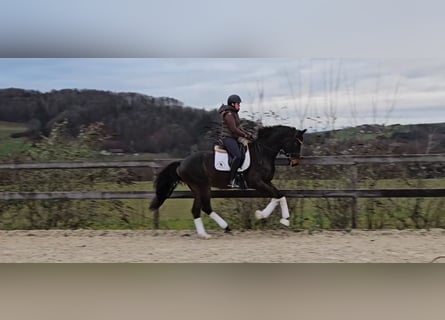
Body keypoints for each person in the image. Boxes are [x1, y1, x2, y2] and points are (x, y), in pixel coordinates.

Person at [218, 94, 253, 189]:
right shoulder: (228, 114)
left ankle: (239, 176)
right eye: (238, 104)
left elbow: (239, 127)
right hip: (228, 138)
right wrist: (244, 135)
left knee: (243, 154)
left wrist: (248, 134)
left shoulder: (234, 113)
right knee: (237, 156)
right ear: (233, 104)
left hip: (233, 138)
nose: (239, 106)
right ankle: (231, 179)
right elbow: (233, 129)